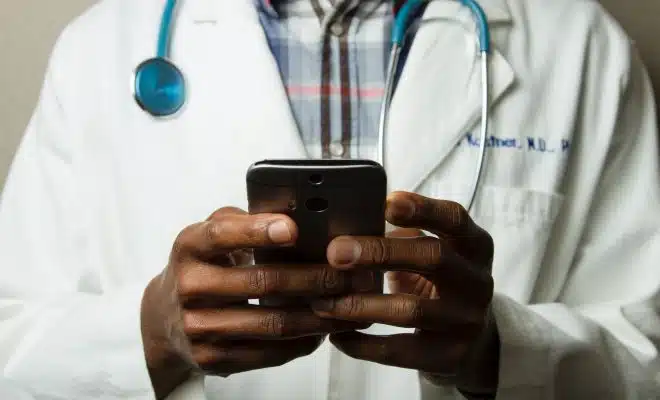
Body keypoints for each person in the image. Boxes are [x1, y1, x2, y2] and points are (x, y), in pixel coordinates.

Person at [0, 0, 658, 399]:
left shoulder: (582, 45)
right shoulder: (100, 47)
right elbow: (11, 353)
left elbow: (647, 356)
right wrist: (151, 332)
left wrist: (500, 350)